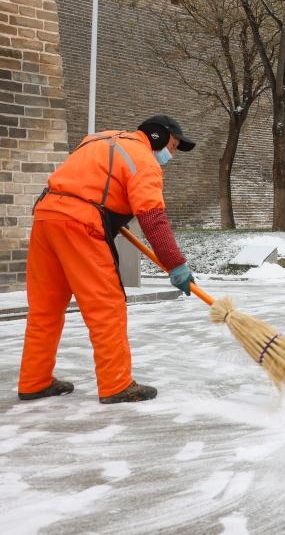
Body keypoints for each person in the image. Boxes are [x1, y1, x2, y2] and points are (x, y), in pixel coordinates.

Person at [19, 115, 198, 404]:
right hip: (80, 225)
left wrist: (113, 214)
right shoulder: (143, 160)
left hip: (46, 216)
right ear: (158, 136)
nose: (171, 154)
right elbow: (153, 219)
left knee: (45, 307)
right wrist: (175, 264)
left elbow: (90, 182)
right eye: (174, 146)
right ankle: (117, 384)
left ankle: (34, 381)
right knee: (106, 306)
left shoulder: (98, 139)